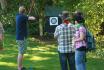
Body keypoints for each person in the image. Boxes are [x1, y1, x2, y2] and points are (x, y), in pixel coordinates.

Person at [16, 6, 36, 70]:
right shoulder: (23, 17)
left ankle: (21, 66)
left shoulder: (18, 16)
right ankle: (19, 68)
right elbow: (33, 18)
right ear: (24, 11)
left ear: (19, 11)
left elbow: (25, 18)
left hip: (19, 37)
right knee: (21, 53)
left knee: (21, 52)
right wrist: (30, 17)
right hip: (22, 38)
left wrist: (26, 16)